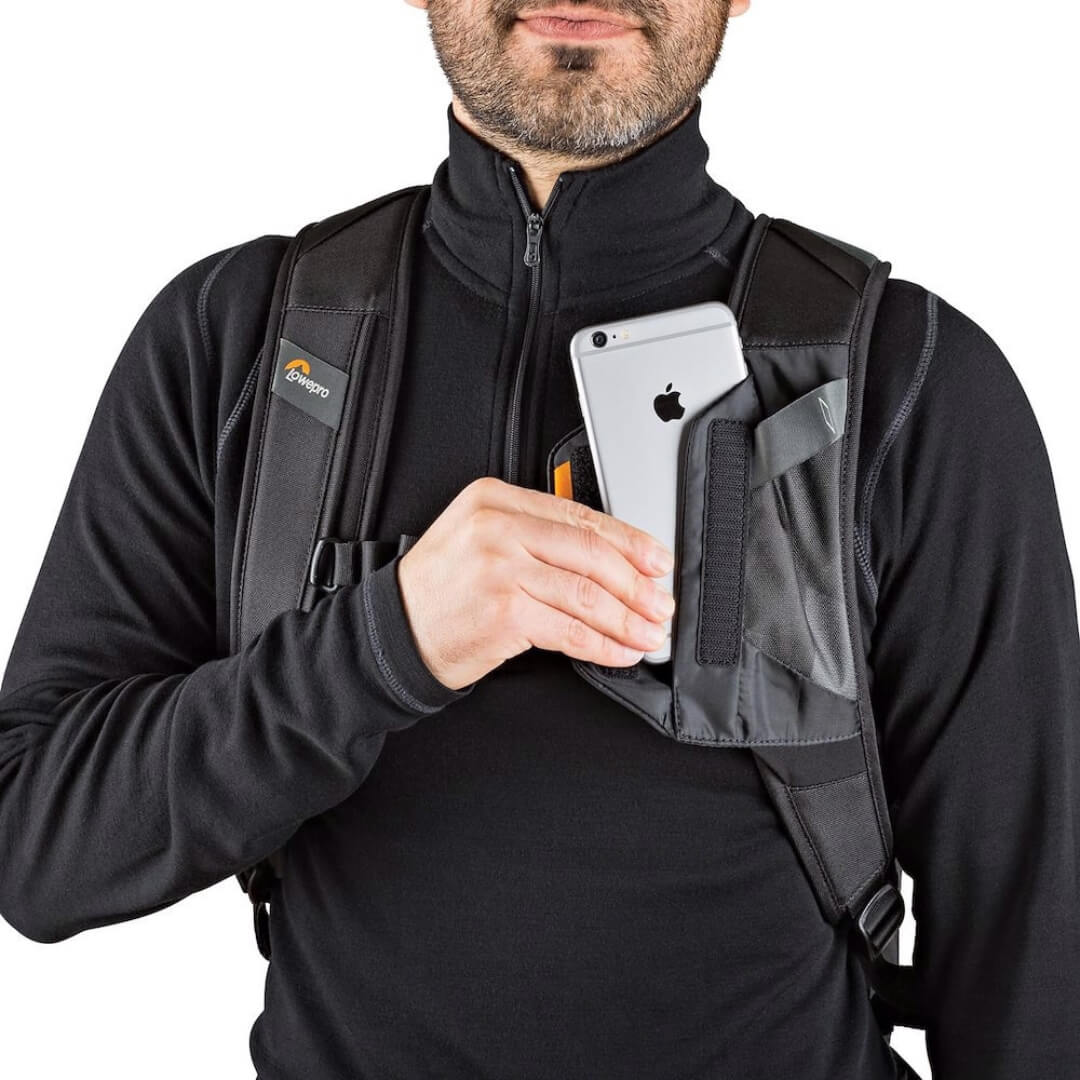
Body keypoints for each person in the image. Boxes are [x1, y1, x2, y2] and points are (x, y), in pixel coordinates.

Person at [1, 0, 1077, 1077]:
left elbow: (1035, 965)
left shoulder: (912, 389)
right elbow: (35, 844)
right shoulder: (236, 343)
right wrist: (383, 645)